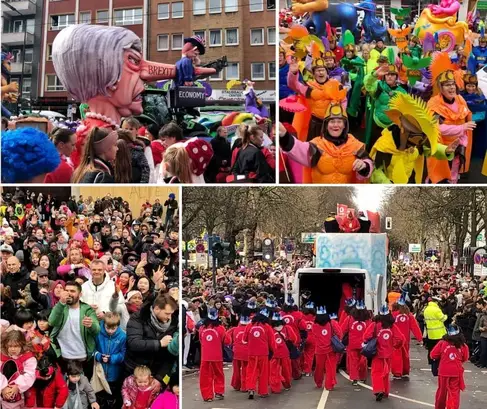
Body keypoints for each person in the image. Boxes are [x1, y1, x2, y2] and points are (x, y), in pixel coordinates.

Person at [279, 103, 373, 183]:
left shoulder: (355, 146)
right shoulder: (317, 145)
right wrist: (284, 136)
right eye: (332, 121)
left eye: (339, 121)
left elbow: (368, 162)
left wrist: (364, 165)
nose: (336, 125)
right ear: (326, 125)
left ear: (345, 125)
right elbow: (298, 148)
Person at [427, 52, 473, 183]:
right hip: (442, 151)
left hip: (459, 147)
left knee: (454, 176)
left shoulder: (460, 99)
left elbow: (467, 116)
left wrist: (464, 140)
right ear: (440, 88)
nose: (452, 87)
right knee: (439, 178)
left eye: (453, 84)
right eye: (447, 85)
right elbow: (438, 128)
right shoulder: (433, 104)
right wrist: (462, 128)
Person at [48, 281, 100, 379]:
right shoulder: (60, 307)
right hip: (63, 356)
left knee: (84, 387)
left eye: (72, 291)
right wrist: (61, 303)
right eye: (66, 290)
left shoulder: (88, 310)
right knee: (64, 388)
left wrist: (91, 325)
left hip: (83, 356)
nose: (69, 293)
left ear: (80, 294)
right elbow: (52, 322)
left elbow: (97, 330)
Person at [125, 293, 178, 385]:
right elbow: (134, 343)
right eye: (167, 313)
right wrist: (159, 343)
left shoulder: (173, 322)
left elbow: (171, 355)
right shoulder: (139, 318)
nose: (169, 317)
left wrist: (160, 378)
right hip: (136, 371)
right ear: (156, 309)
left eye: (171, 314)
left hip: (158, 371)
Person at [363, 304, 405, 401]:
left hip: (377, 353)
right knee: (386, 373)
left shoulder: (375, 324)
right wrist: (395, 346)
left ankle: (378, 390)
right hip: (389, 353)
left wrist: (370, 342)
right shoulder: (392, 326)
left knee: (376, 372)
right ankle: (386, 391)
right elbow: (400, 338)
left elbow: (366, 336)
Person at [430, 325, 470, 409]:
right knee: (454, 393)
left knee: (441, 392)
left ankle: (439, 407)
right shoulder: (463, 346)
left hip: (443, 371)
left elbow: (433, 355)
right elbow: (465, 358)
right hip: (456, 371)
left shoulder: (442, 343)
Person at [94, 312, 126, 408]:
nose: (110, 331)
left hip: (114, 372)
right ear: (104, 324)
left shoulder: (123, 336)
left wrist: (111, 358)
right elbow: (92, 349)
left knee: (111, 394)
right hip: (99, 372)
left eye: (113, 328)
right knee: (99, 394)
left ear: (117, 326)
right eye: (108, 328)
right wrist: (99, 356)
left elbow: (123, 354)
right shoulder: (98, 333)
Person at [243, 308, 276, 399]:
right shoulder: (267, 326)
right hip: (263, 353)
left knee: (251, 371)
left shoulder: (249, 326)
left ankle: (251, 388)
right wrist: (274, 351)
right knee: (263, 372)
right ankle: (263, 391)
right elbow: (272, 342)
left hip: (252, 352)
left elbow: (244, 339)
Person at [0, 330, 37, 409]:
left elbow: (30, 374)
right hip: (5, 395)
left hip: (25, 393)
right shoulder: (2, 357)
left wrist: (18, 386)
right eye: (10, 346)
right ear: (5, 345)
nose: (13, 349)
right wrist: (3, 388)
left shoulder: (29, 358)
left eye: (16, 346)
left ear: (22, 345)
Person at [391, 293, 423, 379]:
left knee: (397, 356)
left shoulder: (393, 315)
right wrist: (419, 338)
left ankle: (397, 372)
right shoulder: (409, 315)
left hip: (396, 339)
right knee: (405, 355)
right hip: (406, 339)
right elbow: (415, 327)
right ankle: (405, 370)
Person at [312, 306, 343, 391]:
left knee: (319, 368)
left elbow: (314, 336)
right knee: (331, 368)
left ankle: (318, 382)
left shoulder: (314, 326)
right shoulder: (332, 323)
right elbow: (340, 333)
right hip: (331, 350)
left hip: (319, 351)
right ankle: (329, 385)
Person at [198, 308, 226, 402]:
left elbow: (201, 340)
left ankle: (207, 396)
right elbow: (227, 341)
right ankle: (219, 391)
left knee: (205, 376)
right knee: (218, 374)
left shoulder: (202, 328)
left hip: (205, 356)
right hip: (217, 356)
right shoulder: (220, 328)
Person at [340, 300, 370, 385]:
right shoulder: (367, 319)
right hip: (364, 344)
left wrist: (340, 340)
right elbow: (371, 331)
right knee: (363, 361)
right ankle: (362, 377)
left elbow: (342, 330)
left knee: (353, 362)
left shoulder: (349, 318)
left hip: (352, 344)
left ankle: (354, 378)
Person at [270, 312, 298, 393]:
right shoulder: (287, 328)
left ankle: (275, 388)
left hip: (274, 353)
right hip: (285, 352)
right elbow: (294, 339)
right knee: (286, 370)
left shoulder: (270, 329)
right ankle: (287, 384)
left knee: (273, 371)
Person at [225, 315, 250, 392]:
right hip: (247, 352)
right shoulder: (250, 330)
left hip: (236, 352)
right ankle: (245, 386)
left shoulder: (234, 329)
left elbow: (226, 336)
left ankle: (236, 385)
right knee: (245, 369)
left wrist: (231, 344)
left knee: (236, 369)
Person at [424, 296, 448, 365]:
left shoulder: (427, 309)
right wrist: (446, 315)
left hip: (430, 332)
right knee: (438, 348)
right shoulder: (436, 309)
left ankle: (430, 360)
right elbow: (443, 318)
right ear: (436, 302)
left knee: (430, 347)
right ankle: (436, 360)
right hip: (439, 332)